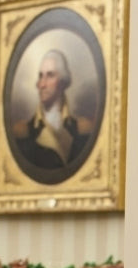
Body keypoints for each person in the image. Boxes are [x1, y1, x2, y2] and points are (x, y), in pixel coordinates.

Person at [12, 49, 94, 180]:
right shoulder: (22, 133)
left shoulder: (83, 130)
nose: (42, 84)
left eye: (50, 75)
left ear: (62, 81)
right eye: (40, 76)